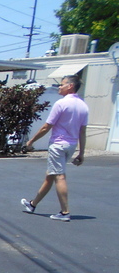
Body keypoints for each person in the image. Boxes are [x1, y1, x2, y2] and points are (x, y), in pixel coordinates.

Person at [20, 74, 88, 222]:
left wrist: (31, 141)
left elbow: (46, 126)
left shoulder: (61, 104)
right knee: (50, 175)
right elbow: (82, 132)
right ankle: (32, 204)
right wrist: (81, 153)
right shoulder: (83, 106)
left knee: (59, 176)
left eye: (62, 84)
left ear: (70, 86)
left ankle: (65, 212)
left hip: (58, 145)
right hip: (71, 145)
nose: (59, 87)